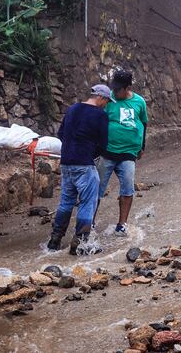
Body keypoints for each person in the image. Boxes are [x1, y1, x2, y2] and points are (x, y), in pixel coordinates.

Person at [48, 84, 112, 254]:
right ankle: (80, 242)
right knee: (87, 202)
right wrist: (91, 154)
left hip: (66, 162)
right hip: (84, 164)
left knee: (66, 202)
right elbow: (103, 144)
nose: (106, 105)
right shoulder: (100, 115)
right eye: (107, 101)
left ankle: (55, 240)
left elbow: (61, 134)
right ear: (101, 98)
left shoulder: (72, 109)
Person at [97, 70, 148, 237]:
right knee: (97, 188)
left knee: (127, 189)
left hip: (128, 153)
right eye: (114, 88)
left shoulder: (139, 102)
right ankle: (89, 223)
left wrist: (142, 146)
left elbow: (144, 123)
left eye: (118, 89)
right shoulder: (108, 99)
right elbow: (97, 120)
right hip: (107, 151)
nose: (115, 92)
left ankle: (122, 225)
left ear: (128, 88)